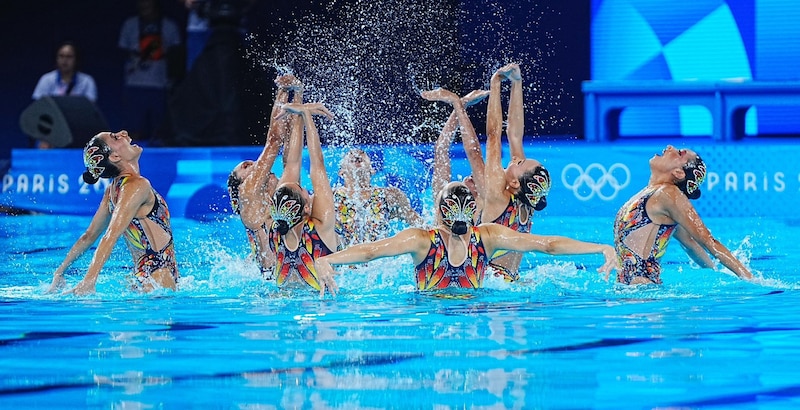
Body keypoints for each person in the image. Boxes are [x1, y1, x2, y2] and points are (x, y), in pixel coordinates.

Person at [314, 181, 618, 297]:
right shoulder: (486, 235)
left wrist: (327, 258)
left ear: (439, 212)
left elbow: (370, 252)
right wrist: (601, 247)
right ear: (473, 211)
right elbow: (546, 244)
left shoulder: (422, 240)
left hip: (429, 315)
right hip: (480, 310)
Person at [47, 131, 179, 295]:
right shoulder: (137, 185)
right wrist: (89, 281)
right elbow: (111, 234)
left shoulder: (113, 191)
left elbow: (89, 235)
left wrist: (60, 272)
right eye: (116, 137)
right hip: (157, 280)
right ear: (115, 157)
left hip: (144, 278)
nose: (123, 133)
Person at [614, 145, 754, 285]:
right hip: (634, 293)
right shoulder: (652, 194)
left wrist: (750, 280)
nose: (670, 147)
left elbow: (708, 241)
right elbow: (690, 244)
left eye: (680, 153)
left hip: (643, 294)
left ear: (679, 173)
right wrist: (714, 271)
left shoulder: (668, 194)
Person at [227, 74, 301, 276]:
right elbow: (274, 141)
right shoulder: (248, 196)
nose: (254, 165)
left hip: (300, 274)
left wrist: (298, 100)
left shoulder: (279, 195)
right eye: (245, 167)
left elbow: (291, 154)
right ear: (240, 184)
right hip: (274, 281)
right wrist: (283, 91)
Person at [267, 102, 339, 293]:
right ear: (307, 208)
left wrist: (296, 113)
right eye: (304, 189)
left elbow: (291, 164)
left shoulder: (276, 229)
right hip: (322, 310)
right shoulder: (321, 226)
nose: (307, 188)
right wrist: (307, 115)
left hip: (281, 304)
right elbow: (318, 165)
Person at [118, 0, 182, 142]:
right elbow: (122, 52)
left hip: (160, 85)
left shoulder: (169, 26)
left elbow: (176, 56)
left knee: (161, 131)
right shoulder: (130, 25)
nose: (144, 5)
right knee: (133, 131)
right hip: (134, 84)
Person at [334, 148, 423, 248]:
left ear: (372, 170)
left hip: (377, 261)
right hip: (343, 259)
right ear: (341, 172)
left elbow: (420, 225)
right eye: (349, 153)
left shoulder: (391, 195)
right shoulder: (331, 198)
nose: (356, 153)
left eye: (362, 153)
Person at [32, 41, 98, 103]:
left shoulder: (87, 81)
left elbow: (90, 107)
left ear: (76, 59)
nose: (64, 60)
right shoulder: (46, 79)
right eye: (61, 56)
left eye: (69, 57)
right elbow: (38, 105)